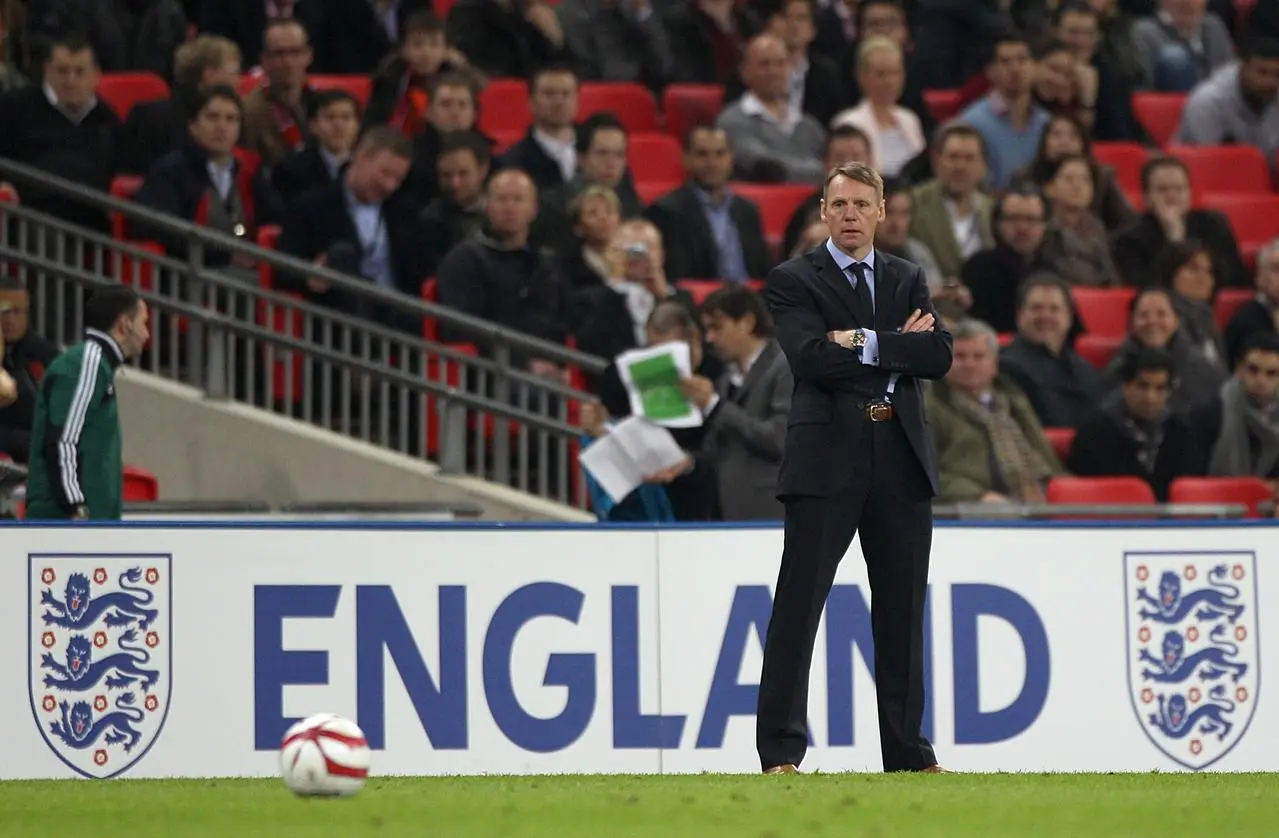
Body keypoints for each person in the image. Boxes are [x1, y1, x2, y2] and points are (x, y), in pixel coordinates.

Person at [757, 161, 954, 775]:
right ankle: (781, 753)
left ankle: (908, 752)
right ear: (822, 212)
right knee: (799, 605)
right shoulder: (793, 279)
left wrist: (861, 341)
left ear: (881, 212)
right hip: (826, 462)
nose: (848, 215)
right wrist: (896, 346)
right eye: (838, 204)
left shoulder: (906, 275)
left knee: (902, 612)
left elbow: (939, 355)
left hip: (899, 459)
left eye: (860, 205)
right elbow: (811, 360)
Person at [25, 285, 150, 521]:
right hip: (68, 526)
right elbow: (63, 441)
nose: (147, 334)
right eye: (143, 323)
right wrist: (75, 507)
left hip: (87, 527)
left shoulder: (94, 364)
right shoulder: (87, 362)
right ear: (125, 324)